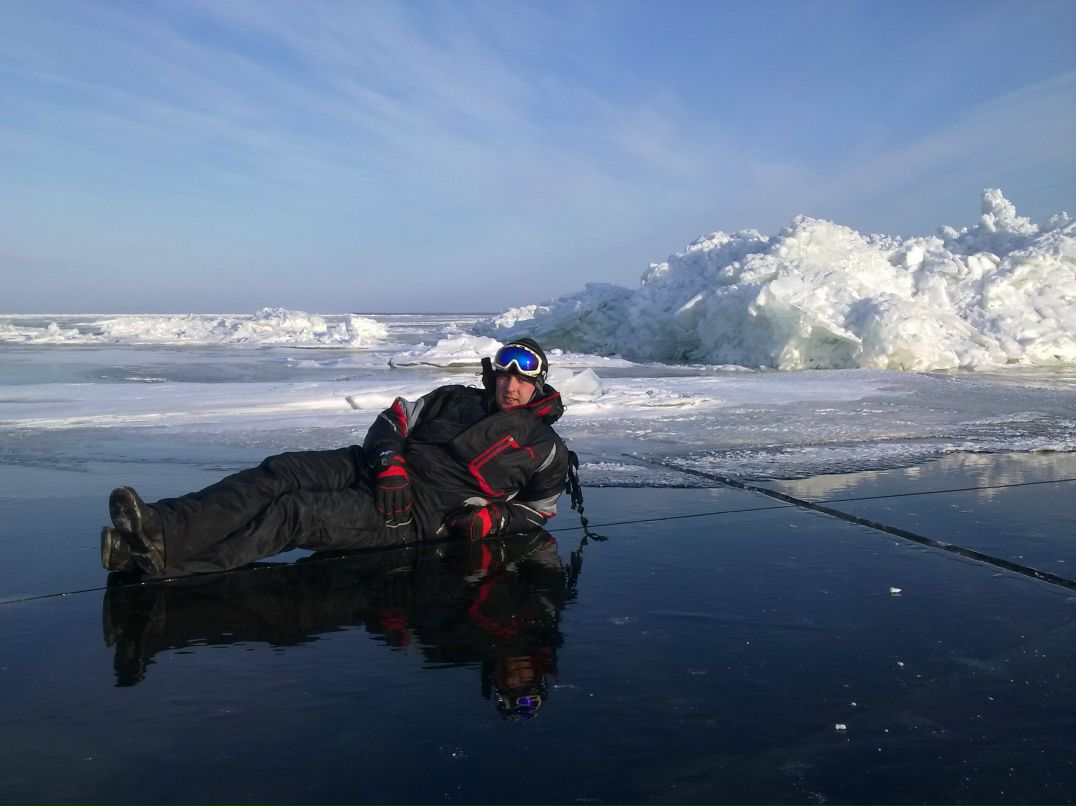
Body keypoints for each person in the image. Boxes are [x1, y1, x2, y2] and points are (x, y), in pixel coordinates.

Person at [100, 338, 570, 578]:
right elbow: (396, 419)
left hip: (411, 511)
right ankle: (157, 526)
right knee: (280, 472)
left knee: (296, 512)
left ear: (539, 384)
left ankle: (160, 562)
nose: (511, 385)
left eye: (523, 378)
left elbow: (539, 511)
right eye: (505, 374)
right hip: (377, 468)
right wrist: (389, 462)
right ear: (493, 375)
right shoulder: (453, 397)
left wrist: (493, 524)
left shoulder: (547, 449)